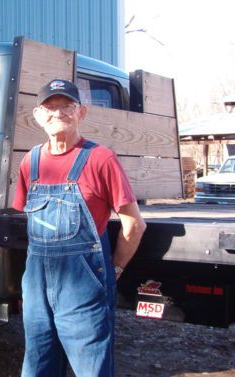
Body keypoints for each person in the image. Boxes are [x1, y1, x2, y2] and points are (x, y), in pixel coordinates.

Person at [12, 79, 147, 377]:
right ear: (37, 115)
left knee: (90, 368)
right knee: (37, 364)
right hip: (36, 284)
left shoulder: (100, 159)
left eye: (66, 106)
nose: (57, 113)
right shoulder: (30, 161)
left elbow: (134, 225)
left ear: (81, 113)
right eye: (50, 107)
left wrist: (116, 270)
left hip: (82, 283)